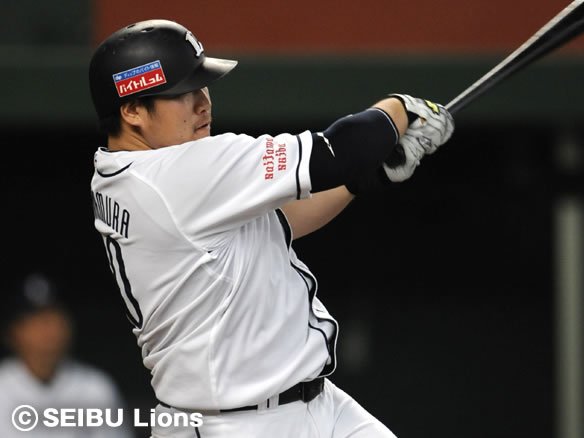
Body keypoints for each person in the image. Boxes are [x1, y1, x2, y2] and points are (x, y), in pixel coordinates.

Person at [88, 19, 454, 438]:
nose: (203, 103)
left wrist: (365, 178)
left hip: (317, 406)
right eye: (183, 93)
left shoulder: (122, 173)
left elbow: (279, 221)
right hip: (232, 424)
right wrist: (401, 108)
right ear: (132, 110)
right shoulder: (176, 172)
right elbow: (341, 151)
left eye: (202, 87)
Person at [0, 273, 133, 437]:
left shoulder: (94, 387)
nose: (47, 330)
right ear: (12, 332)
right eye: (34, 321)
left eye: (53, 317)